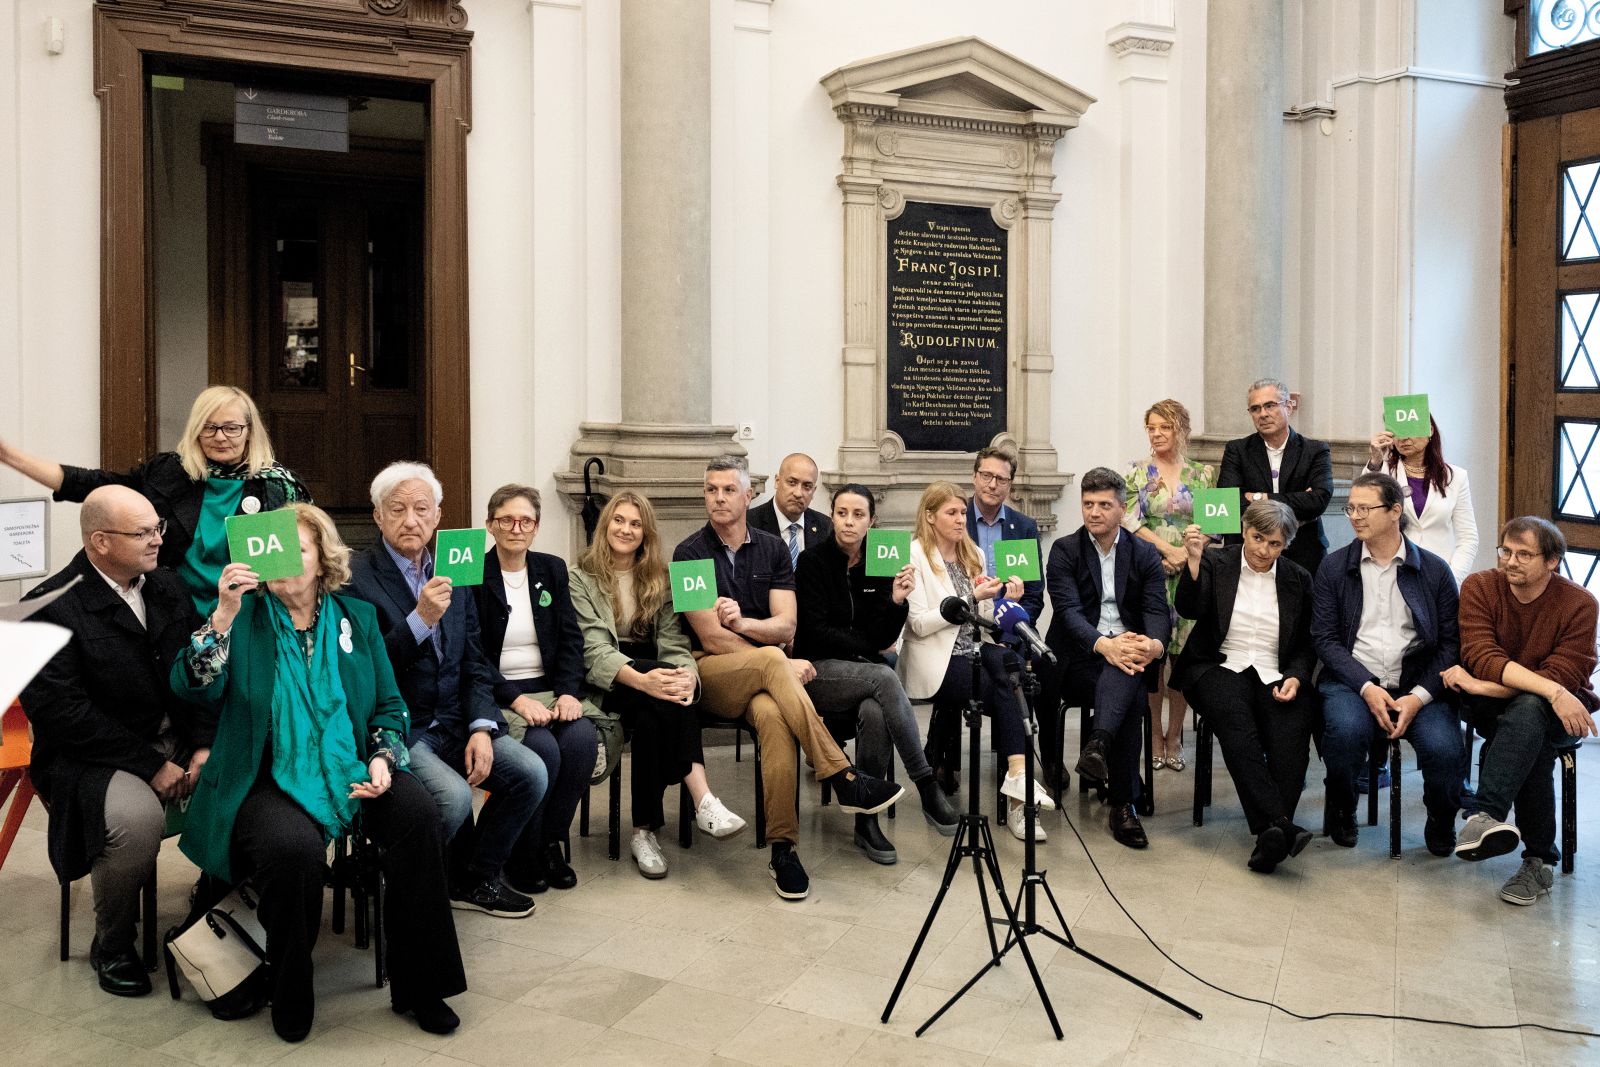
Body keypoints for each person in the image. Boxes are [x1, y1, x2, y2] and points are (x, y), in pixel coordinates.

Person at [174, 503, 466, 1041]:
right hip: (263, 774)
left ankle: (421, 984)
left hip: (353, 764)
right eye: (275, 548)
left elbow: (388, 705)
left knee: (420, 814)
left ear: (322, 558)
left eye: (298, 548)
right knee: (291, 850)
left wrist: (383, 757)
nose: (284, 559)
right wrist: (221, 615)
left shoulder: (359, 619)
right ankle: (289, 983)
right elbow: (192, 684)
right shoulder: (243, 619)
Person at [674, 454, 901, 901]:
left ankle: (783, 849)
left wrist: (746, 628)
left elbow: (788, 627)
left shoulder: (773, 549)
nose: (718, 498)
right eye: (710, 490)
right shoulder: (688, 553)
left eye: (727, 490)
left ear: (748, 494)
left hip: (767, 678)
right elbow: (710, 636)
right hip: (712, 672)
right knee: (776, 662)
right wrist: (770, 654)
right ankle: (842, 775)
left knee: (776, 722)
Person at [20, 486, 212, 997]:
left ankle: (216, 911)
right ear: (99, 542)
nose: (157, 541)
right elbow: (65, 716)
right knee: (137, 821)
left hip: (171, 739)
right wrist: (150, 766)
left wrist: (201, 744)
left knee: (248, 782)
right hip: (91, 756)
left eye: (158, 529)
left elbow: (196, 673)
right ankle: (114, 943)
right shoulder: (47, 607)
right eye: (143, 533)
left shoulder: (166, 586)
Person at [346, 462, 547, 917]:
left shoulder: (456, 567)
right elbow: (366, 671)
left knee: (529, 774)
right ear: (378, 516)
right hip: (402, 725)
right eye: (397, 509)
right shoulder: (356, 575)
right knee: (453, 797)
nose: (410, 520)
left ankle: (474, 877)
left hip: (456, 718)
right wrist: (420, 621)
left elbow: (474, 659)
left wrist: (480, 725)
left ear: (438, 516)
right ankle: (406, 878)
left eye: (421, 509)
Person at [0, 385, 310, 614]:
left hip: (250, 617)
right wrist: (11, 457)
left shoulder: (277, 486)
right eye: (209, 427)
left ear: (249, 431)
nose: (220, 436)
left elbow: (304, 559)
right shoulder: (170, 472)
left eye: (231, 428)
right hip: (175, 613)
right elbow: (93, 484)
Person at [570, 490, 746, 880]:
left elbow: (676, 644)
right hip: (611, 678)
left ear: (646, 532)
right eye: (619, 520)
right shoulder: (578, 577)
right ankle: (704, 799)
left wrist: (687, 677)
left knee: (659, 710)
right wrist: (644, 680)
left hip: (655, 684)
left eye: (635, 523)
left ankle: (642, 833)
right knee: (661, 688)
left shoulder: (662, 578)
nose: (626, 529)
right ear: (605, 526)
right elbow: (594, 649)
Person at [796, 483, 962, 864]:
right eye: (841, 513)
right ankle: (925, 783)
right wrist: (864, 645)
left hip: (866, 673)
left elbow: (885, 636)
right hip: (817, 671)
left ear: (872, 520)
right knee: (885, 677)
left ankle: (866, 825)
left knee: (874, 710)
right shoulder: (812, 562)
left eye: (858, 515)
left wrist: (897, 600)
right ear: (831, 516)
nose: (849, 522)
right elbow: (815, 633)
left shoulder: (881, 560)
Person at [1445, 517, 1598, 905]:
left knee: (1531, 719)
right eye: (1506, 551)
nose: (1510, 561)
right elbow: (1481, 655)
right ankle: (1538, 862)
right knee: (1530, 714)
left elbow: (1562, 674)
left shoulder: (1580, 604)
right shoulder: (1480, 586)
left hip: (1561, 715)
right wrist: (1551, 690)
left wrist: (1482, 684)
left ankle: (1484, 816)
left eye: (1524, 554)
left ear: (1552, 561)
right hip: (1497, 709)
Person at [1312, 471, 1462, 854]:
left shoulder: (1434, 571)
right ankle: (1344, 810)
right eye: (1351, 508)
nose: (1355, 516)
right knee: (1343, 735)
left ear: (1395, 511)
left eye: (1366, 508)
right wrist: (1365, 686)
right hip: (1353, 681)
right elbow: (1325, 640)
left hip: (1418, 685)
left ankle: (1441, 818)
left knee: (1445, 749)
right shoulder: (1333, 568)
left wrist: (1420, 696)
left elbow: (1449, 645)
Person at [899, 480, 1054, 844]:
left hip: (975, 649)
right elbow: (919, 624)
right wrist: (971, 595)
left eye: (961, 513)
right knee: (1007, 684)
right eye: (951, 513)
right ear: (930, 515)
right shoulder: (915, 555)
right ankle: (1019, 798)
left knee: (1013, 671)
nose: (959, 519)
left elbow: (984, 623)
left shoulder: (974, 555)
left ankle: (1017, 781)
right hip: (937, 657)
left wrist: (1004, 598)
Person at [1171, 501, 1315, 873]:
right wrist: (1192, 560)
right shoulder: (1217, 561)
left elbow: (1304, 643)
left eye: (1275, 544)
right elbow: (1188, 608)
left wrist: (1297, 677)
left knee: (1293, 728)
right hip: (1218, 664)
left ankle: (1272, 836)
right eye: (1257, 538)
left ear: (1286, 546)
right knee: (1237, 722)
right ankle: (1279, 824)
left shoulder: (1298, 579)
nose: (1263, 550)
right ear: (1243, 529)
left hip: (1274, 672)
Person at [472, 484, 601, 894]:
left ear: (536, 527)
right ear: (490, 525)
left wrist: (567, 691)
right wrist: (515, 698)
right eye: (506, 519)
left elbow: (569, 639)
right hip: (500, 691)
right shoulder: (473, 571)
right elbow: (469, 652)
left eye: (525, 520)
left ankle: (548, 843)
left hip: (548, 686)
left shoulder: (551, 569)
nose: (516, 527)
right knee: (542, 749)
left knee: (581, 739)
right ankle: (519, 852)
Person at [1045, 467, 1170, 849]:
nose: (1094, 512)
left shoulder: (1144, 552)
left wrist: (1154, 645)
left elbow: (1156, 610)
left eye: (1104, 505)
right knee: (1128, 682)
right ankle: (1123, 802)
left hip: (1129, 652)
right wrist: (1105, 645)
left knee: (1129, 672)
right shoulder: (1065, 550)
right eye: (1087, 504)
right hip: (1079, 659)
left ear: (1121, 509)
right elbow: (1068, 614)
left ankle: (1100, 745)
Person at [1123, 398, 1216, 772]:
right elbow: (1130, 520)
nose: (1157, 434)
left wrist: (1189, 552)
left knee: (1183, 659)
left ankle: (1175, 734)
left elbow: (1216, 522)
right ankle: (1155, 735)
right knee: (1154, 657)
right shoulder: (1135, 472)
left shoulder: (1204, 474)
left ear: (1181, 429)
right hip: (1151, 570)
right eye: (1151, 427)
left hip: (1191, 573)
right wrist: (1167, 549)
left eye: (1165, 427)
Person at [1217, 378, 1333, 576]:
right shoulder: (1237, 450)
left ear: (1288, 406)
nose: (1263, 414)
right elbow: (1229, 502)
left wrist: (1260, 498)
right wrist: (1295, 507)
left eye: (1270, 405)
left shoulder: (1315, 450)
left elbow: (1318, 500)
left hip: (1303, 553)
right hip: (1250, 554)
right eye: (1255, 409)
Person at [1365, 414, 1479, 583]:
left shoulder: (1456, 477)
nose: (1404, 438)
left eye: (1411, 430)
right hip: (1392, 573)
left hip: (1439, 575)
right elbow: (1364, 503)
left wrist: (1452, 578)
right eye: (1398, 432)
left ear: (1430, 431)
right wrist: (1375, 460)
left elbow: (1468, 538)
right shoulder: (1384, 471)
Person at [967, 445, 1045, 619]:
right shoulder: (957, 520)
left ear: (1010, 485)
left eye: (1001, 479)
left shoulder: (1024, 527)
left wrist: (1008, 638)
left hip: (1011, 624)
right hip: (965, 623)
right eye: (986, 476)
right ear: (974, 477)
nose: (993, 485)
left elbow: (1033, 597)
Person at [749, 452, 834, 568]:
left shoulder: (826, 527)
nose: (798, 493)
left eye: (807, 486)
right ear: (777, 481)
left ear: (813, 491)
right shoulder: (749, 524)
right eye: (792, 483)